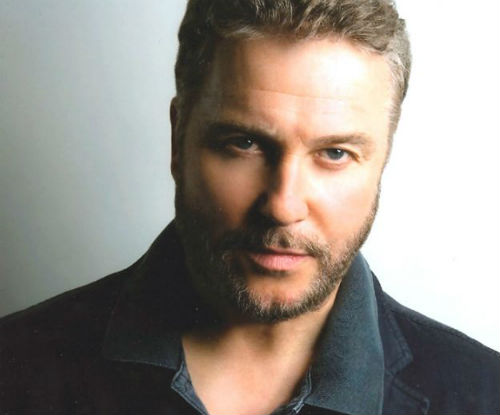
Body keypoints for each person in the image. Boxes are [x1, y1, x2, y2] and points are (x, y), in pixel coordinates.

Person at [0, 0, 498, 414]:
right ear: (178, 138)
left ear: (383, 158)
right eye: (244, 143)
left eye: (334, 153)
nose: (282, 206)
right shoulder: (15, 368)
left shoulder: (484, 395)